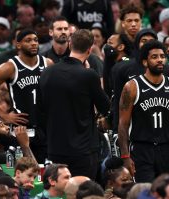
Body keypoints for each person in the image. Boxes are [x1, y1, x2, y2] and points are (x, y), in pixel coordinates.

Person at [39, 29, 110, 180]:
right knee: (80, 192)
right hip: (82, 150)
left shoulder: (47, 72)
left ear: (70, 45)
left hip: (55, 147)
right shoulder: (89, 75)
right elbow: (105, 107)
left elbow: (41, 108)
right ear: (90, 49)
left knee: (59, 193)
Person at [118, 40, 169, 183]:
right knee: (145, 193)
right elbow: (123, 125)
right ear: (145, 62)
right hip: (141, 149)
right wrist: (125, 156)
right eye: (154, 57)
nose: (160, 60)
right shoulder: (132, 87)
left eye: (162, 56)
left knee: (167, 192)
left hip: (165, 148)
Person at [0, 29, 53, 163]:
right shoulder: (9, 67)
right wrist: (4, 115)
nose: (34, 43)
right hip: (22, 129)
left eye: (35, 40)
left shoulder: (47, 63)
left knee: (44, 173)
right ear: (18, 45)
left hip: (45, 127)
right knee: (25, 172)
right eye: (28, 40)